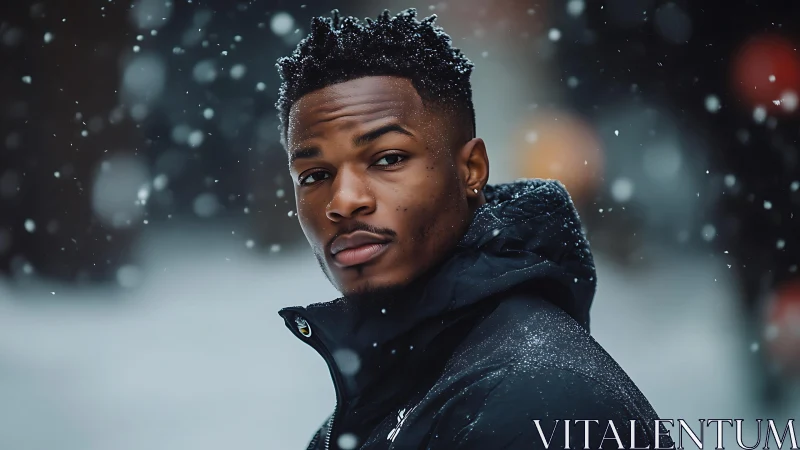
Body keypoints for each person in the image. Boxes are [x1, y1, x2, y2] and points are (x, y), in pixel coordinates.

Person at [276, 9, 672, 450]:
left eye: (387, 158)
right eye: (314, 175)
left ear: (471, 170)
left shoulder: (539, 402)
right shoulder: (392, 399)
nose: (344, 201)